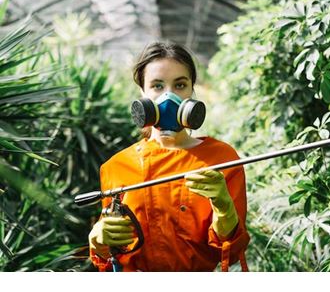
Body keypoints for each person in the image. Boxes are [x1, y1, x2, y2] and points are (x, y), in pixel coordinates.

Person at [87, 42, 250, 272]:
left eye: (180, 85)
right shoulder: (117, 167)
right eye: (157, 86)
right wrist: (99, 242)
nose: (168, 97)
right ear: (142, 93)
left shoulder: (222, 158)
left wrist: (224, 208)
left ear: (192, 91)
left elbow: (229, 251)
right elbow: (112, 256)